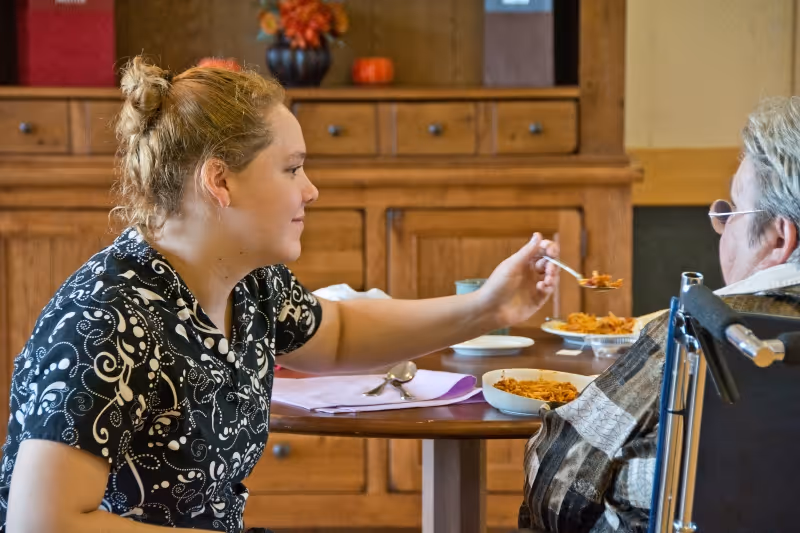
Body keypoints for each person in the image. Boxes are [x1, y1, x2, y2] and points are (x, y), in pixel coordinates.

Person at [0, 57, 559, 533]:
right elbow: (42, 523)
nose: (310, 190)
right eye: (292, 168)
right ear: (219, 181)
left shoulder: (251, 282)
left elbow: (337, 336)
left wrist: (487, 305)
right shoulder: (107, 317)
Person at [518, 96, 800, 533]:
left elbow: (557, 486)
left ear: (779, 238)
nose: (720, 229)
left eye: (729, 213)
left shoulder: (699, 331)